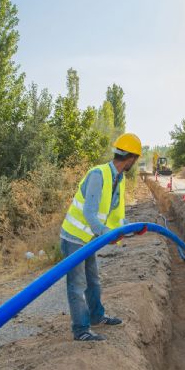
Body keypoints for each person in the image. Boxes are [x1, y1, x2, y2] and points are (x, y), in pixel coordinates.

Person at [60, 133, 146, 341]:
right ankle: (81, 330)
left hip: (90, 239)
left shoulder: (119, 177)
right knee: (77, 284)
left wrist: (130, 228)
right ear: (132, 158)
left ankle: (97, 316)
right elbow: (90, 214)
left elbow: (116, 216)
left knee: (93, 280)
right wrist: (108, 235)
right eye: (136, 159)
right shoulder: (99, 175)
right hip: (74, 238)